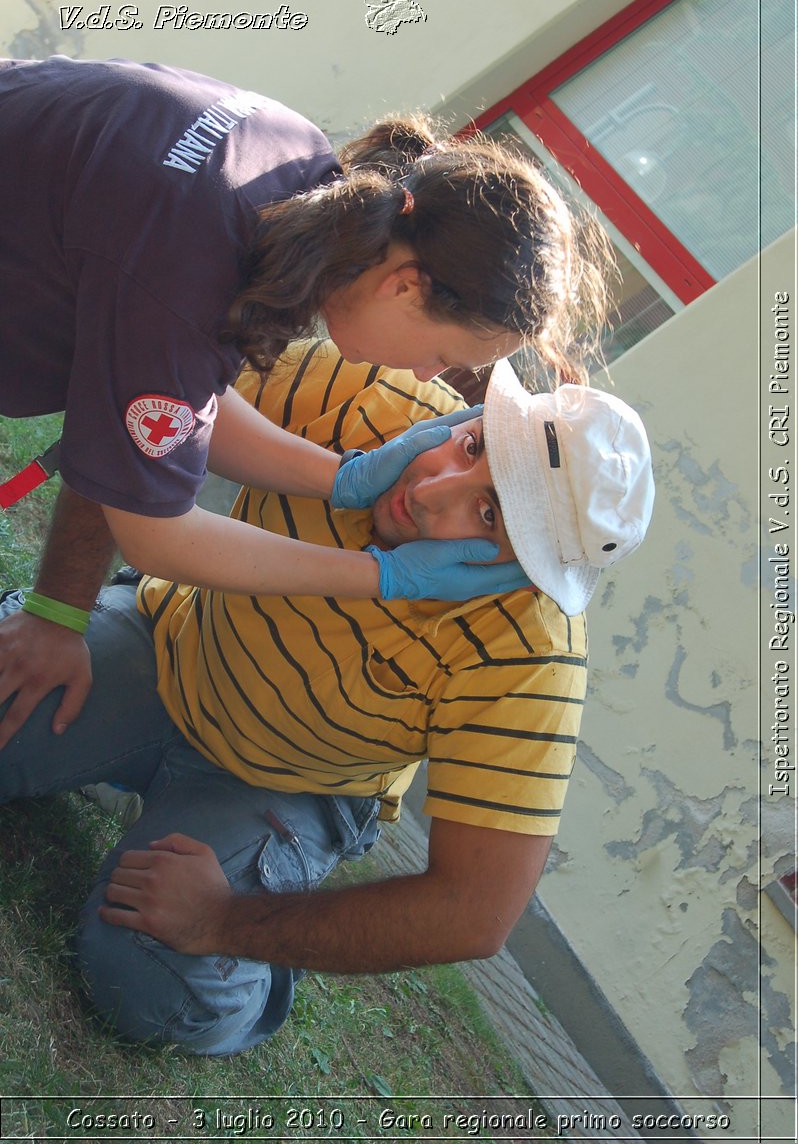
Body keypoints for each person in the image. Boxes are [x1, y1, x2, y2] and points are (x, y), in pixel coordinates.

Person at [0, 338, 654, 1056]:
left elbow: (475, 913)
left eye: (491, 515)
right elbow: (150, 395)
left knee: (152, 984)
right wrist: (57, 614)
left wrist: (222, 921)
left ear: (533, 575)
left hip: (292, 785)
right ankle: (121, 769)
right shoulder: (377, 397)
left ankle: (254, 964)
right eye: (471, 447)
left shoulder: (533, 650)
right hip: (170, 645)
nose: (431, 488)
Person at [0, 55, 609, 748]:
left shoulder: (292, 162)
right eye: (442, 354)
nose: (423, 372)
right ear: (407, 286)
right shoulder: (187, 272)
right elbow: (153, 532)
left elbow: (176, 395)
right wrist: (379, 575)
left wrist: (341, 479)